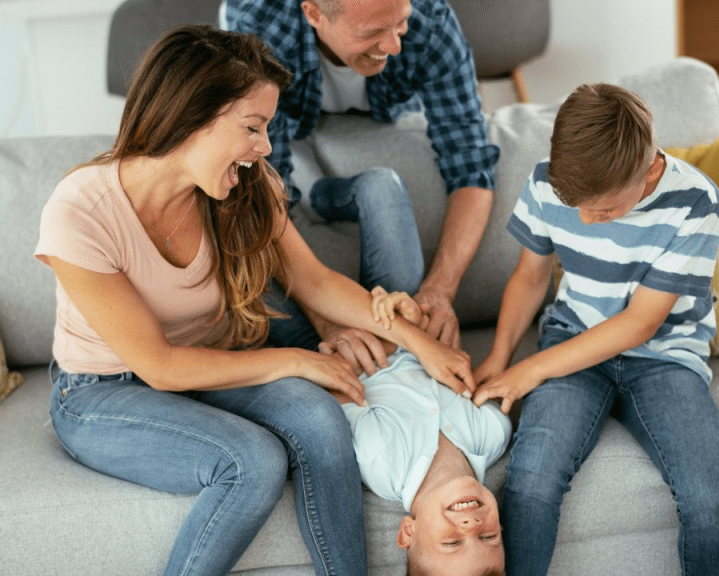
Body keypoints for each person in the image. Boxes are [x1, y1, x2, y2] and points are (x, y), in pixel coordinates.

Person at [34, 25, 474, 576]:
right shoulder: (81, 210)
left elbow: (313, 281)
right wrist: (297, 360)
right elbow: (159, 365)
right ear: (193, 115)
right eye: (252, 127)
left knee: (321, 415)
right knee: (251, 461)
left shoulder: (245, 186)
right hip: (105, 393)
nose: (265, 147)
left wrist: (416, 342)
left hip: (211, 368)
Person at [471, 83, 719, 576]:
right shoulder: (545, 183)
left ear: (649, 171)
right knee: (530, 483)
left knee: (711, 501)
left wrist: (529, 371)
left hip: (663, 357)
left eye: (606, 211)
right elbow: (531, 276)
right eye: (575, 205)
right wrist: (498, 357)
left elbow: (639, 324)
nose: (585, 222)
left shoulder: (695, 201)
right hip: (572, 339)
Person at [224, 0, 501, 372]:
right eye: (372, 32)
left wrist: (439, 290)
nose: (394, 46)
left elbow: (471, 164)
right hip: (277, 63)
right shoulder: (264, 31)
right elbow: (260, 190)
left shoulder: (429, 21)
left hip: (375, 102)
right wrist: (327, 319)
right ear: (313, 14)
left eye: (400, 25)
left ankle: (325, 195)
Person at [334, 287, 510, 576]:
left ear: (408, 532)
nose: (471, 525)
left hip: (355, 320)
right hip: (408, 308)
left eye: (452, 542)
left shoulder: (383, 461)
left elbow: (338, 371)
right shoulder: (492, 433)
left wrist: (398, 331)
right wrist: (418, 322)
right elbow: (455, 364)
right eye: (488, 537)